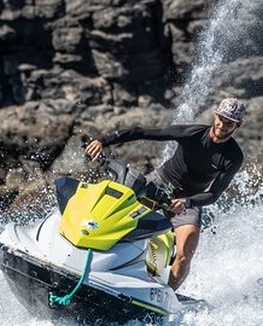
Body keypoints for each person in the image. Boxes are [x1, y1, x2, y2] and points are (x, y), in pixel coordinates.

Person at [85, 97, 246, 291]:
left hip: (187, 200)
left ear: (238, 125)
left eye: (229, 123)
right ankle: (91, 256)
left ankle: (166, 297)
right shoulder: (191, 133)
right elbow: (141, 132)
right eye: (221, 119)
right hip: (159, 182)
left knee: (186, 253)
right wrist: (103, 141)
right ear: (215, 115)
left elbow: (213, 194)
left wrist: (187, 202)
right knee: (115, 214)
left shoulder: (233, 156)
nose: (222, 125)